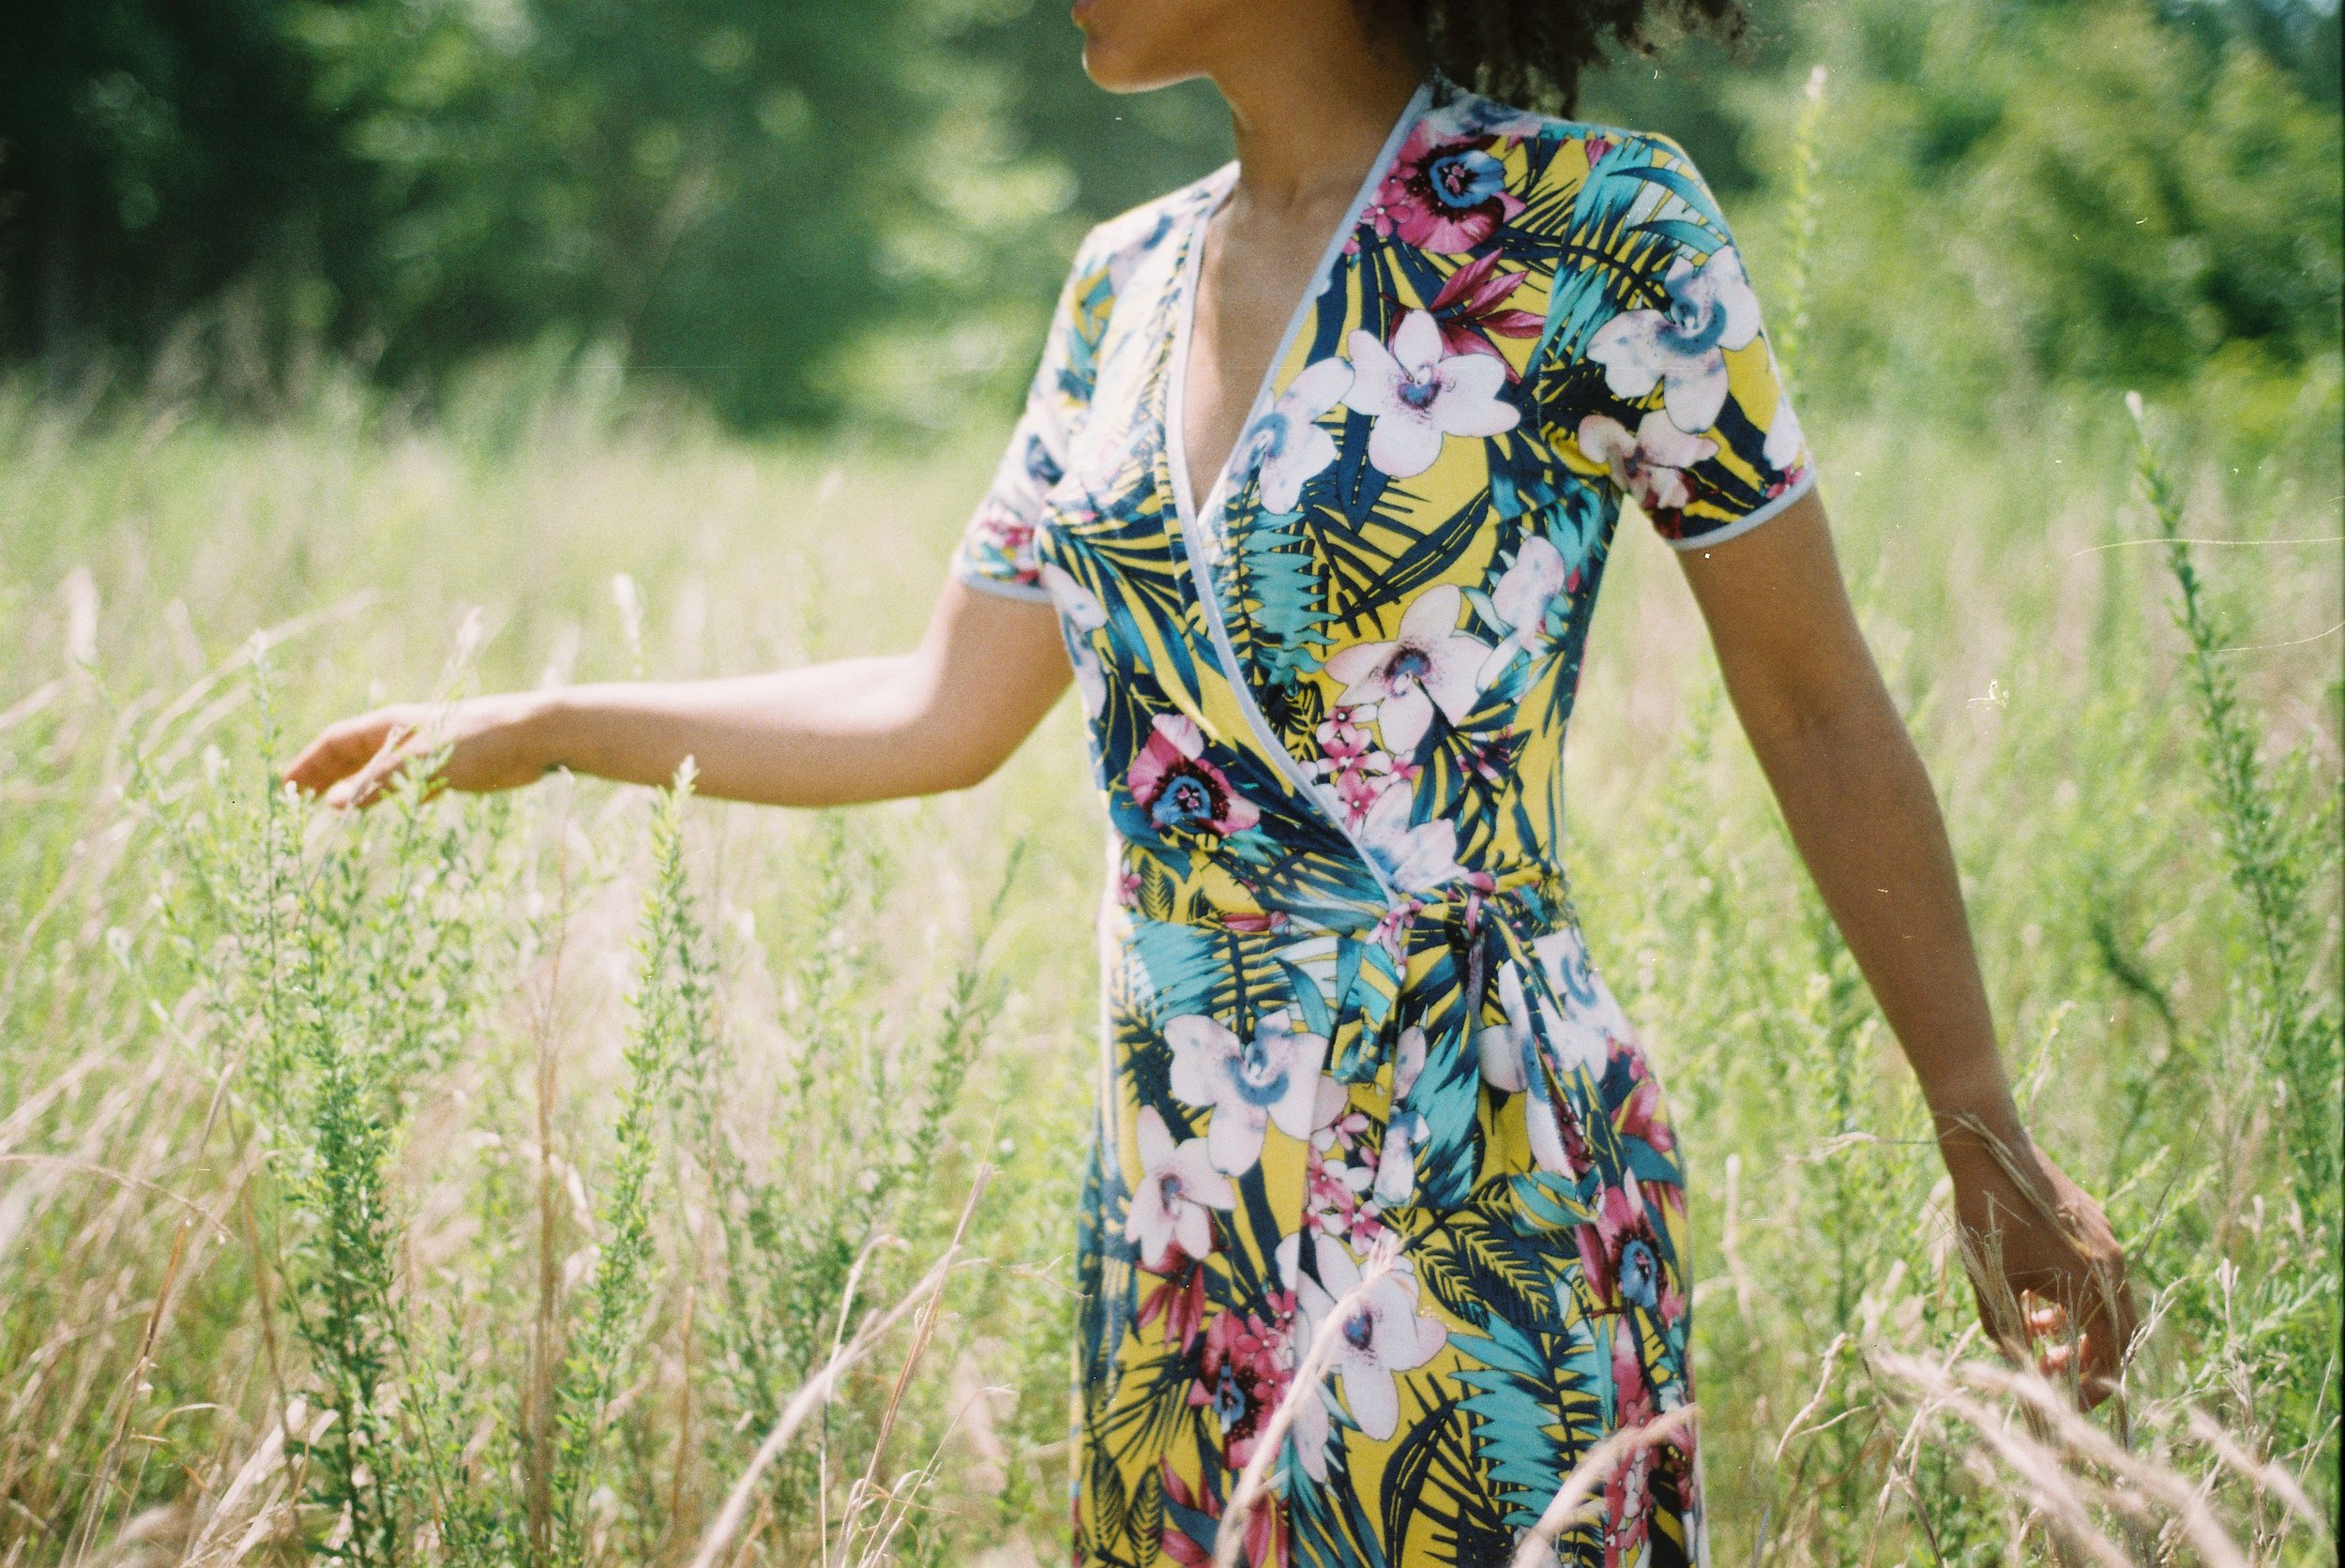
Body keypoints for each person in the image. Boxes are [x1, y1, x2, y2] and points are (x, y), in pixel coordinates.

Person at [285, 1, 2138, 1561]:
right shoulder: (1118, 287)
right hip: (1185, 1173)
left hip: (1473, 1143)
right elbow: (940, 704)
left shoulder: (1599, 228)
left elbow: (1812, 699)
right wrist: (543, 726)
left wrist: (1972, 1114)